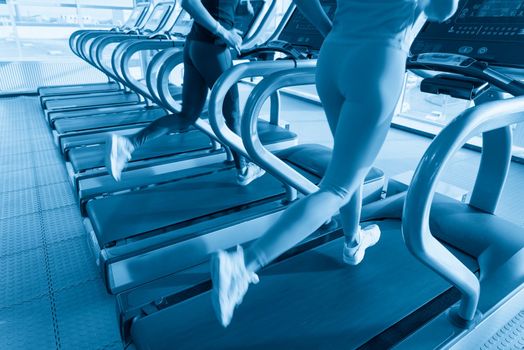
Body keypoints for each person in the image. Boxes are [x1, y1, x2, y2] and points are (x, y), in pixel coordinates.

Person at [210, 0, 459, 327]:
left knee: (346, 165)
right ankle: (243, 265)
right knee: (338, 186)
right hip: (379, 60)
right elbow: (442, 11)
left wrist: (333, 30)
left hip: (334, 54)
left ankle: (352, 241)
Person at [106, 0, 265, 186]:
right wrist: (223, 32)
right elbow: (189, 2)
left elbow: (225, 9)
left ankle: (128, 143)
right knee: (232, 114)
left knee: (187, 116)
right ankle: (244, 170)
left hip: (196, 45)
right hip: (212, 46)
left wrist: (242, 11)